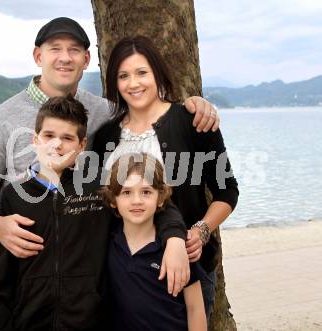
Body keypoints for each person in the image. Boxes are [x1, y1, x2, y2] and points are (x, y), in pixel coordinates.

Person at [0, 17, 219, 294]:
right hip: (29, 270)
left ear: (86, 60)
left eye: (74, 50)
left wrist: (194, 106)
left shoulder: (106, 112)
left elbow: (147, 120)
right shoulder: (0, 120)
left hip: (91, 271)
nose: (65, 58)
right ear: (38, 56)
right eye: (55, 49)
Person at [0, 96, 188, 330]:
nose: (56, 145)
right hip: (30, 321)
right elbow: (3, 277)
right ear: (35, 140)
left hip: (90, 321)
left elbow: (157, 205)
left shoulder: (98, 186)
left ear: (82, 145)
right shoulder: (14, 195)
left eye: (67, 138)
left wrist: (175, 240)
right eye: (49, 136)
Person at [92, 35, 239, 319]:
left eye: (142, 72)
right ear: (114, 83)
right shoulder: (106, 136)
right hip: (125, 269)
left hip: (187, 266)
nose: (133, 83)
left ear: (157, 74)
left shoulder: (193, 122)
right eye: (123, 76)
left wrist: (201, 230)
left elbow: (227, 192)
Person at [100, 153, 207, 331]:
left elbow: (195, 309)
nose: (137, 201)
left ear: (161, 198)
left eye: (146, 192)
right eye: (126, 192)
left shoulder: (179, 249)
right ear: (113, 200)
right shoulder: (108, 242)